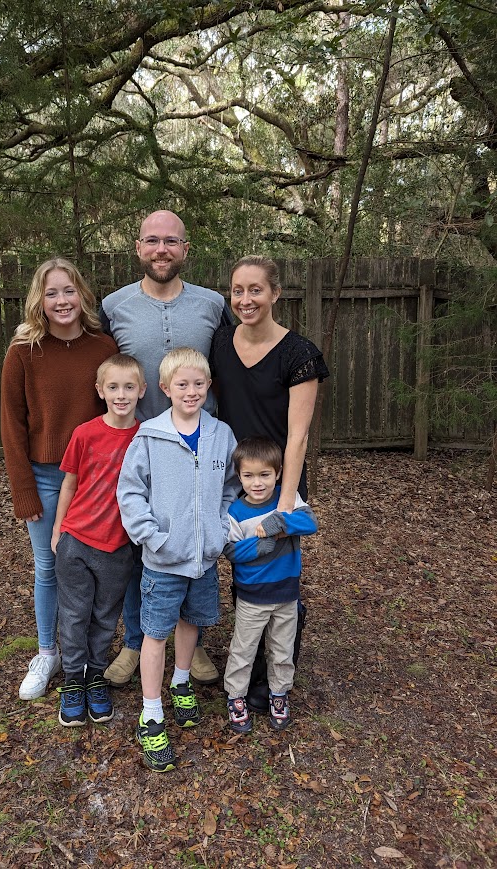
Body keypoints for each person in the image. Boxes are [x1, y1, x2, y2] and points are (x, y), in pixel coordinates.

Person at [100, 210, 233, 688]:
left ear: (185, 249)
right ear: (138, 247)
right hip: (138, 446)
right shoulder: (114, 306)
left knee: (191, 546)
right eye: (152, 241)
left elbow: (233, 366)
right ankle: (136, 642)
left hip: (197, 449)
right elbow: (102, 374)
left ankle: (188, 646)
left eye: (171, 242)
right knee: (142, 549)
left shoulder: (214, 305)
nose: (161, 249)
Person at [210, 255, 329, 711]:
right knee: (246, 571)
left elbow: (297, 436)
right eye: (237, 290)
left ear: (275, 294)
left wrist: (282, 504)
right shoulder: (221, 343)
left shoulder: (299, 354)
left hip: (279, 481)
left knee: (279, 567)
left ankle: (271, 682)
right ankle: (249, 664)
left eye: (255, 290)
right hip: (238, 479)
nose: (245, 299)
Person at [1, 257, 117, 701]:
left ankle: (97, 654)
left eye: (68, 290)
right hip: (46, 478)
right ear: (40, 300)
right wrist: (24, 490)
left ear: (82, 295)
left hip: (97, 479)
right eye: (52, 293)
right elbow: (11, 425)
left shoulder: (102, 347)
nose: (61, 300)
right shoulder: (23, 352)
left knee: (105, 567)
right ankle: (47, 652)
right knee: (49, 567)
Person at [117, 348, 238, 772]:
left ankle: (181, 682)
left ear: (208, 386)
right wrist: (152, 536)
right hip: (163, 561)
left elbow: (230, 486)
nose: (191, 391)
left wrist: (220, 529)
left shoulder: (221, 434)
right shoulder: (149, 435)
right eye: (181, 385)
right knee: (155, 632)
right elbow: (130, 491)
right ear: (166, 389)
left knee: (192, 623)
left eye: (198, 384)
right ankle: (151, 714)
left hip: (204, 561)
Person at [50, 354, 146, 727]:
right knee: (75, 615)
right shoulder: (85, 434)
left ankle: (95, 676)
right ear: (100, 391)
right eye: (113, 387)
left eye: (128, 387)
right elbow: (69, 483)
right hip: (77, 540)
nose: (120, 395)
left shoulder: (148, 436)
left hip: (119, 546)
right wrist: (59, 530)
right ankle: (73, 681)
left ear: (141, 390)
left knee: (106, 616)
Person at [223, 438, 318, 734]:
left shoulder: (286, 501)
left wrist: (281, 524)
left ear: (278, 473)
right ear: (239, 476)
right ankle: (236, 696)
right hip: (252, 597)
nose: (257, 483)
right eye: (249, 476)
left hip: (286, 594)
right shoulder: (236, 512)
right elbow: (232, 552)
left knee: (281, 649)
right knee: (244, 649)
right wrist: (264, 542)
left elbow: (311, 523)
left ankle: (279, 694)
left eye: (265, 475)